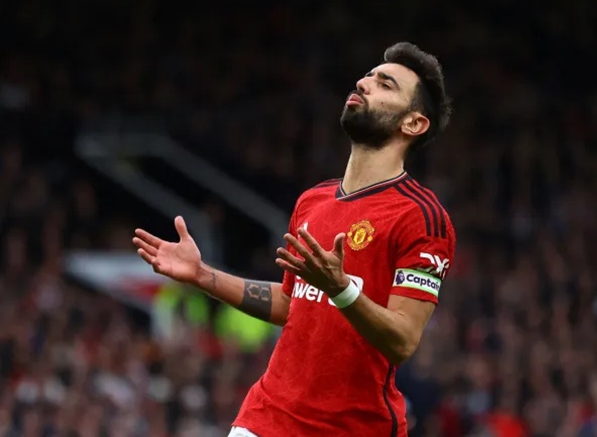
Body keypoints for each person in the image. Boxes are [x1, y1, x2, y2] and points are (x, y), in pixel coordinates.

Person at [133, 42, 455, 437]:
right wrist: (203, 276)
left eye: (385, 84)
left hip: (353, 428)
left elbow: (402, 341)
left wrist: (341, 289)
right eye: (368, 76)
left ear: (413, 124)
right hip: (267, 416)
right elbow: (292, 302)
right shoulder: (313, 200)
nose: (364, 83)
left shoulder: (421, 217)